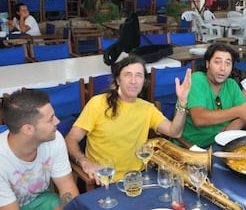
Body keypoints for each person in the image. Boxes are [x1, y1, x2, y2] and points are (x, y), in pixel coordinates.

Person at [0, 89, 96, 210]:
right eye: (50, 119)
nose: (57, 121)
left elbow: (66, 184)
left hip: (37, 201)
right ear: (28, 129)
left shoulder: (54, 138)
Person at [65, 54, 191, 182]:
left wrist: (182, 102)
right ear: (118, 80)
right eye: (127, 75)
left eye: (139, 76)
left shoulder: (147, 108)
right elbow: (71, 139)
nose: (133, 81)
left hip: (137, 178)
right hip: (104, 180)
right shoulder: (97, 103)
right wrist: (84, 161)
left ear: (144, 82)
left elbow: (175, 132)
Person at [178, 43, 246, 148]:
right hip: (191, 147)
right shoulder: (196, 80)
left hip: (222, 144)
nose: (223, 68)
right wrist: (238, 111)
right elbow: (199, 118)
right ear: (207, 64)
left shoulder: (231, 85)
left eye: (228, 63)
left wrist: (238, 122)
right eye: (217, 62)